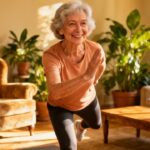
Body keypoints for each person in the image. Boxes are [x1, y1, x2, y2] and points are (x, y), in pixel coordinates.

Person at [42, 1, 106, 150]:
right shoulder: (51, 56)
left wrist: (94, 79)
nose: (79, 29)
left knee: (96, 124)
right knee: (69, 147)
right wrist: (86, 76)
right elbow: (55, 92)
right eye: (71, 24)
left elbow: (101, 65)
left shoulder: (95, 49)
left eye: (83, 23)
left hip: (86, 99)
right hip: (60, 105)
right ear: (60, 29)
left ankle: (80, 126)